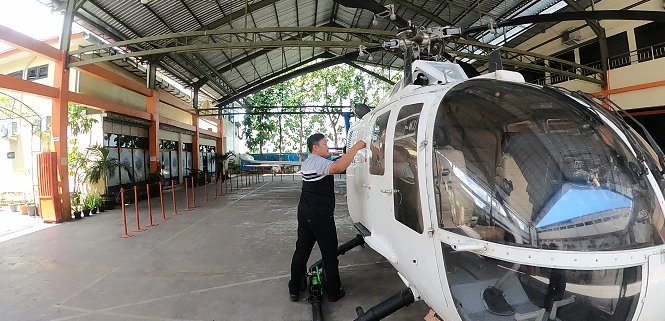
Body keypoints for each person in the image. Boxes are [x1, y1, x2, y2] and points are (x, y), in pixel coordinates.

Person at [288, 133, 366, 302]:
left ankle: (294, 288)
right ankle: (334, 291)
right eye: (325, 143)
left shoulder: (309, 162)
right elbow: (338, 168)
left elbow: (336, 163)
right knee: (329, 254)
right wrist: (357, 146)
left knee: (301, 251)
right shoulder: (318, 162)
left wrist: (346, 154)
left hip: (305, 214)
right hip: (320, 216)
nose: (328, 146)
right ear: (315, 147)